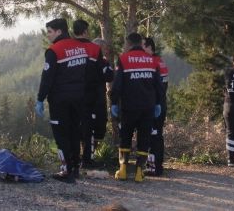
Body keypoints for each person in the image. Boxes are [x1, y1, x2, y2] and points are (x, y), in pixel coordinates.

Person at [36, 18, 88, 183]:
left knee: (61, 135)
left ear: (59, 31)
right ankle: (75, 168)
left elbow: (47, 78)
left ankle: (66, 171)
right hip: (79, 98)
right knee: (74, 133)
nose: (48, 35)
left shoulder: (54, 51)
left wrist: (40, 99)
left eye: (50, 32)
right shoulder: (80, 47)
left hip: (60, 100)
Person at [110, 32, 165, 182]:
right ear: (141, 43)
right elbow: (159, 85)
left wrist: (114, 102)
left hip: (128, 106)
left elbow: (117, 85)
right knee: (144, 138)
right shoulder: (152, 61)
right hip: (148, 106)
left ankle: (122, 170)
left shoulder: (123, 59)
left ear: (128, 44)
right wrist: (159, 103)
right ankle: (140, 172)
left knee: (125, 136)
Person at [71, 19, 111, 168]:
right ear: (86, 31)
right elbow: (104, 74)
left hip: (71, 94)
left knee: (75, 127)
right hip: (90, 96)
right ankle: (86, 160)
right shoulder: (94, 50)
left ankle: (74, 160)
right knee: (87, 129)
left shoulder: (67, 47)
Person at [142, 37, 168, 176]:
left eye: (142, 46)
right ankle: (155, 165)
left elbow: (158, 88)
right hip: (158, 104)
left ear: (148, 46)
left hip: (155, 106)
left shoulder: (154, 62)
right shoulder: (159, 61)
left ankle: (154, 167)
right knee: (155, 135)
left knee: (154, 135)